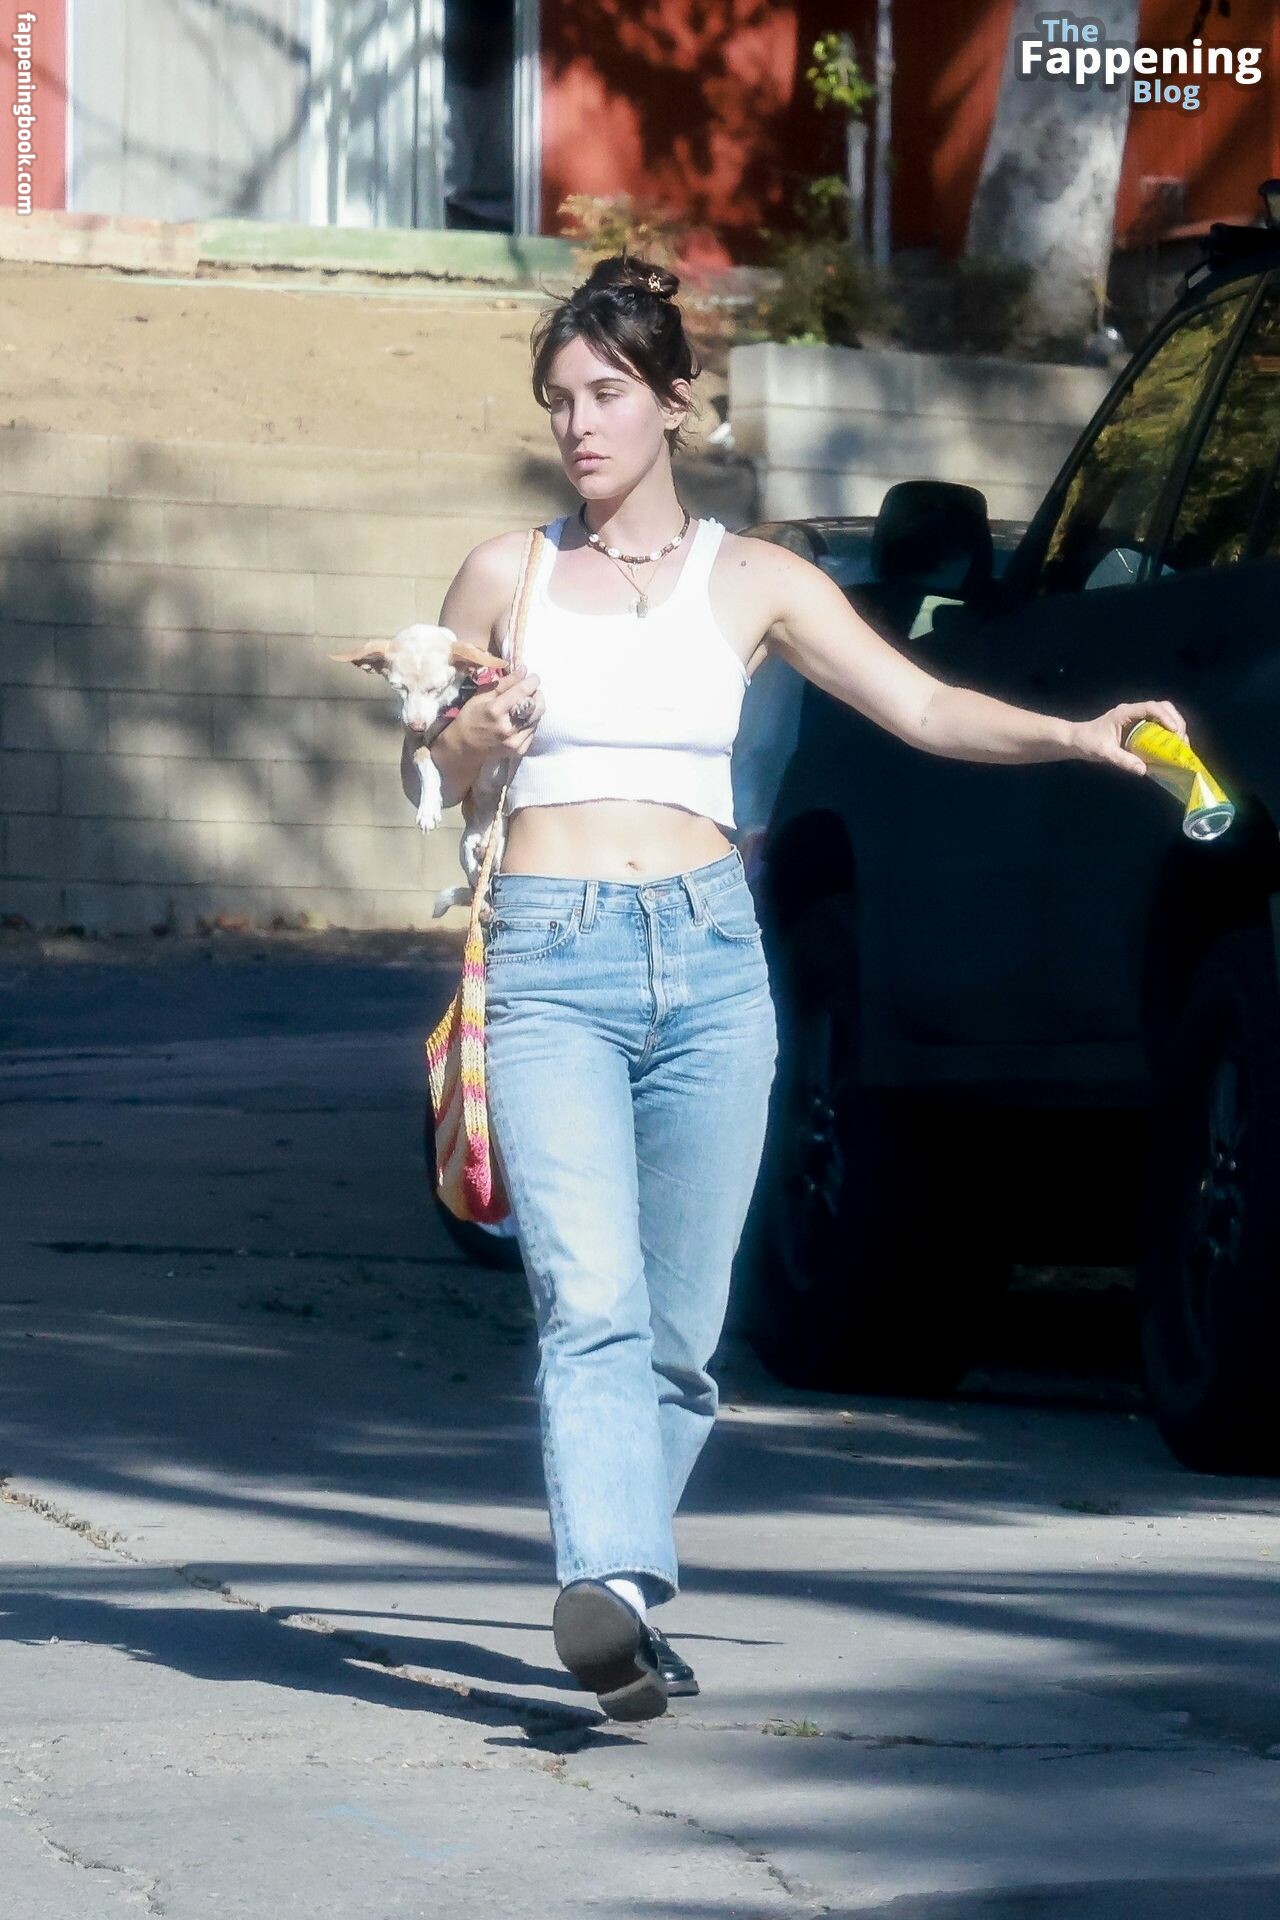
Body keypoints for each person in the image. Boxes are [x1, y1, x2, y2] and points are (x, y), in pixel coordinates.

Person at [405, 252, 1187, 1723]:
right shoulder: (506, 575)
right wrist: (476, 739)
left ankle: (622, 1599)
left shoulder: (757, 580)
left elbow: (923, 704)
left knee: (683, 1335)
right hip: (552, 959)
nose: (579, 424)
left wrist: (1082, 737)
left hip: (712, 965)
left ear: (674, 402)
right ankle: (609, 1585)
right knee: (590, 1295)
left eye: (607, 394)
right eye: (559, 399)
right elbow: (429, 772)